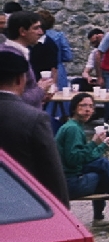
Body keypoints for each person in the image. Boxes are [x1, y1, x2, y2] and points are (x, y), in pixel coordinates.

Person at [0, 50, 69, 205]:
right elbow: (51, 169)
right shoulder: (34, 118)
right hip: (22, 202)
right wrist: (61, 206)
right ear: (20, 79)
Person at [55, 93, 109, 223]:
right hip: (68, 183)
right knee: (101, 172)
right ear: (74, 108)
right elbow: (74, 160)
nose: (88, 109)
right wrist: (94, 143)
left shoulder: (74, 126)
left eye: (91, 106)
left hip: (65, 179)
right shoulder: (73, 129)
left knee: (101, 163)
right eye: (83, 105)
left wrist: (103, 145)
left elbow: (86, 157)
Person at [0, 10, 54, 108]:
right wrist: (40, 89)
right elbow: (12, 99)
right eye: (36, 28)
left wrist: (41, 97)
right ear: (22, 31)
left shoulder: (15, 53)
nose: (41, 32)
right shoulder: (10, 58)